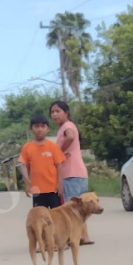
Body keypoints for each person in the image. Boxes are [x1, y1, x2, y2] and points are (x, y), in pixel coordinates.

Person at [50, 100, 93, 245]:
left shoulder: (67, 126)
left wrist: (59, 152)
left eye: (58, 111)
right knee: (80, 207)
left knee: (72, 207)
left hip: (71, 173)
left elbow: (70, 137)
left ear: (66, 113)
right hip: (79, 172)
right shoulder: (68, 126)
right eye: (52, 112)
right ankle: (84, 236)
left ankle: (76, 237)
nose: (55, 114)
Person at [18, 114, 65, 209]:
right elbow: (24, 167)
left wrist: (60, 184)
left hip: (53, 189)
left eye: (43, 126)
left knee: (56, 217)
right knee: (40, 218)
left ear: (48, 129)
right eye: (36, 126)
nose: (40, 129)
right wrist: (27, 185)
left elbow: (59, 166)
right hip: (37, 191)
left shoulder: (53, 146)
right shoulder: (27, 147)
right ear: (31, 129)